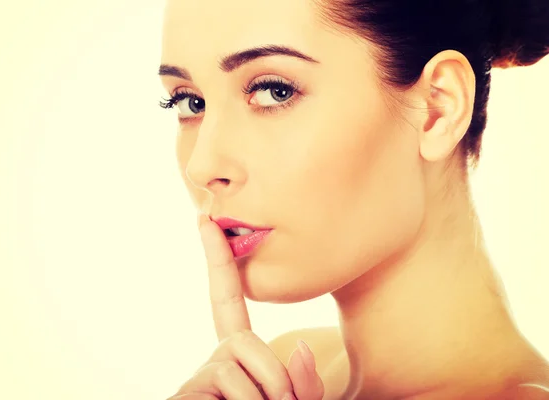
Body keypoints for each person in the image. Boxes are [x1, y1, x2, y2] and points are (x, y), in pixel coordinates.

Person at [156, 0, 549, 398]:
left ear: (437, 108)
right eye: (191, 102)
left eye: (273, 91)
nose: (202, 166)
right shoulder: (274, 378)